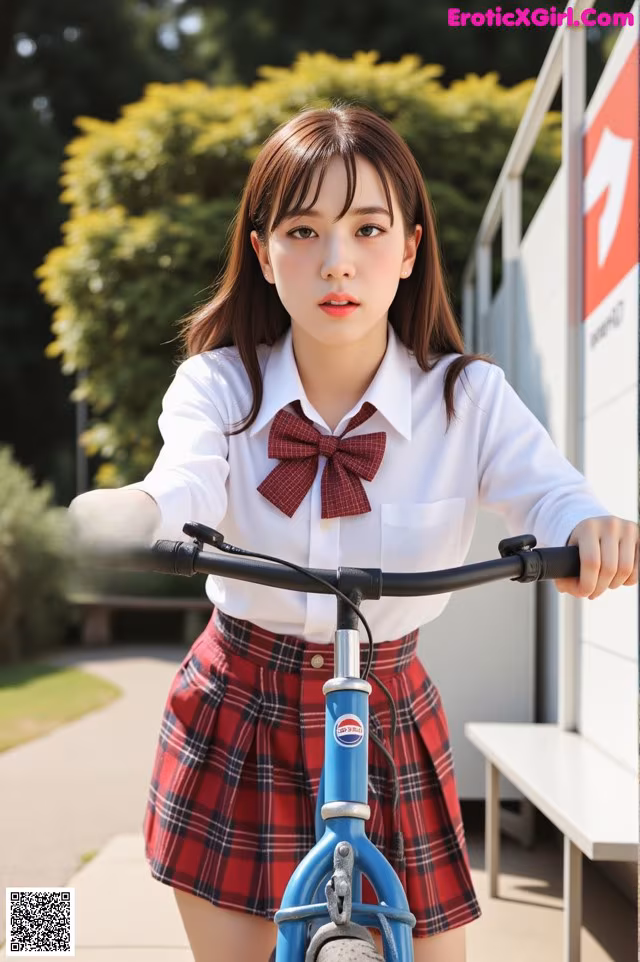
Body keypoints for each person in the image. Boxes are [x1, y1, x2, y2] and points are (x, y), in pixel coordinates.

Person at [68, 105, 639, 962]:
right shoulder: (219, 387)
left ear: (410, 248)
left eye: (368, 228)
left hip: (391, 712)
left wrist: (588, 527)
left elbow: (549, 491)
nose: (338, 262)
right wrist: (128, 514)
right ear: (263, 253)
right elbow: (181, 483)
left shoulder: (466, 399)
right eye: (304, 230)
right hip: (240, 708)